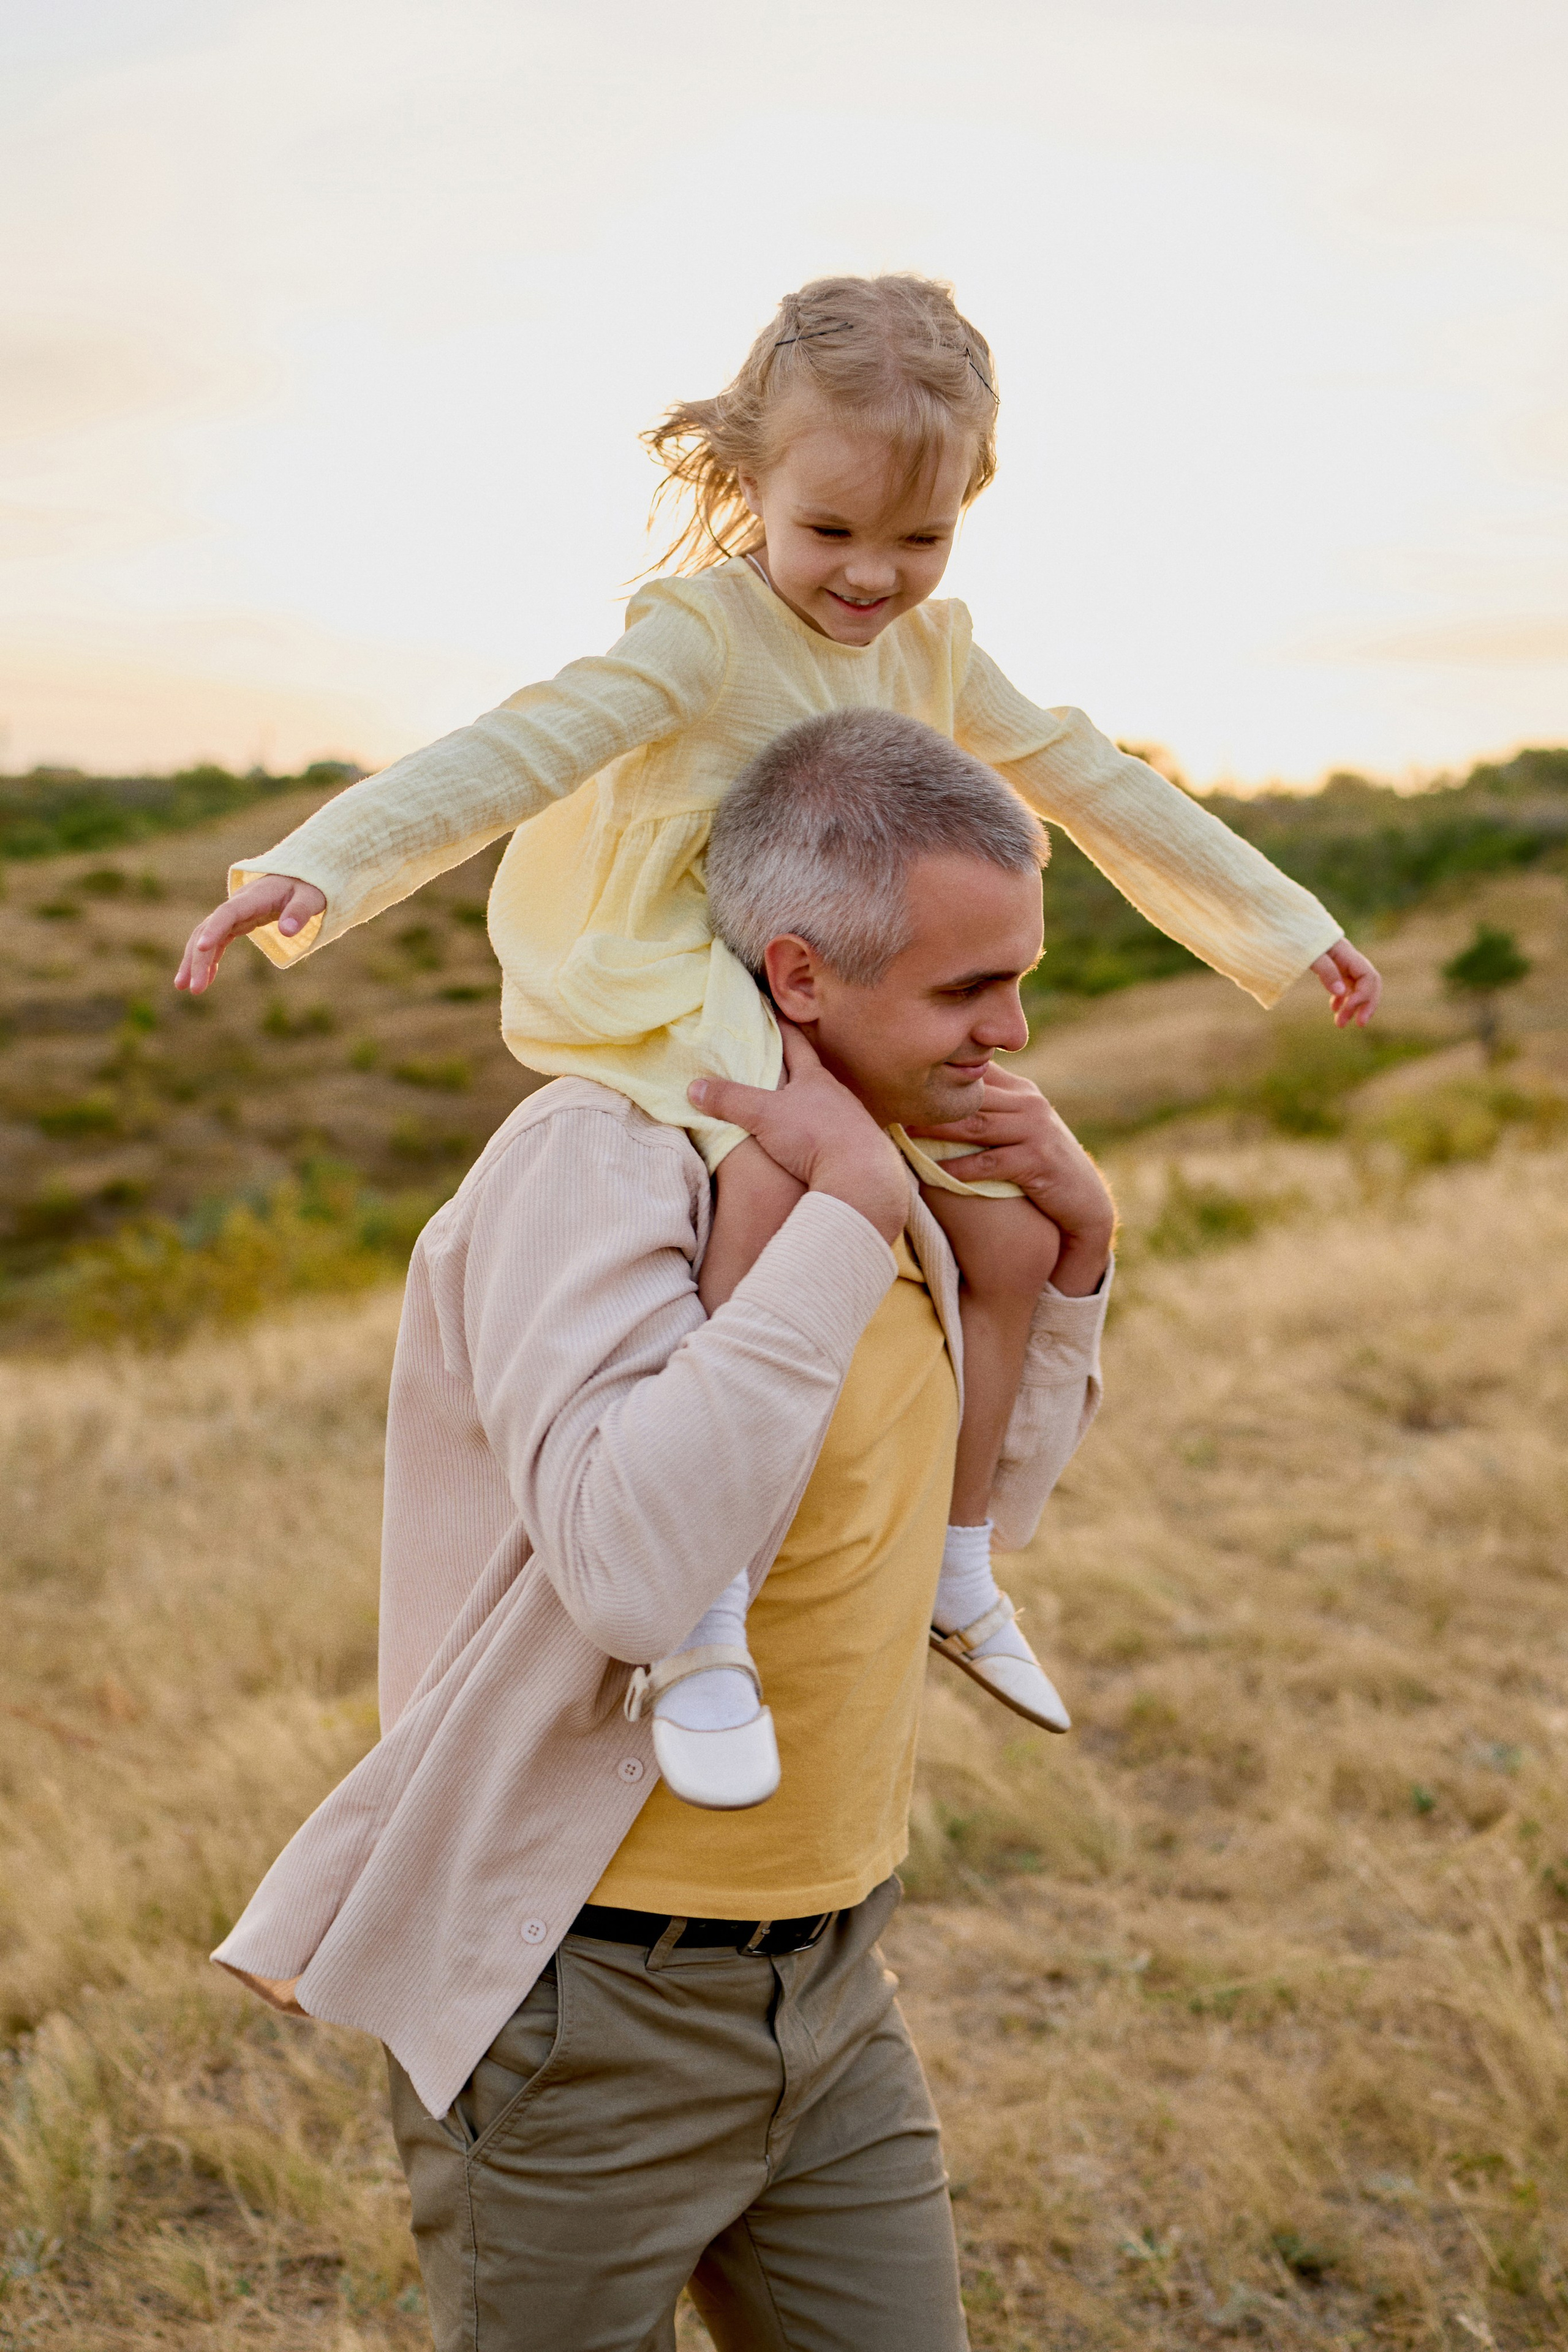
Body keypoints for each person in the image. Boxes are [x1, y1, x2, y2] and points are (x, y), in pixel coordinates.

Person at [175, 271, 1380, 1806]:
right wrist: (317, 865)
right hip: (680, 961)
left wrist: (1284, 922)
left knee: (1006, 1239)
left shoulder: (935, 654)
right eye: (831, 532)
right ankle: (702, 1614)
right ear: (749, 481)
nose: (873, 577)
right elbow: (519, 747)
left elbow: (1096, 781)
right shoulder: (699, 634)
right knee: (775, 1171)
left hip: (844, 977)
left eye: (919, 539)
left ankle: (955, 1564)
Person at [213, 712, 1118, 2351]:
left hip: (837, 1986)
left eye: (1019, 975)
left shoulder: (880, 1163)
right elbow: (635, 1569)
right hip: (585, 2017)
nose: (1016, 1028)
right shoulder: (592, 1160)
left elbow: (954, 1533)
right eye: (969, 990)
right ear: (797, 976)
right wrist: (844, 1219)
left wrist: (1068, 1256)